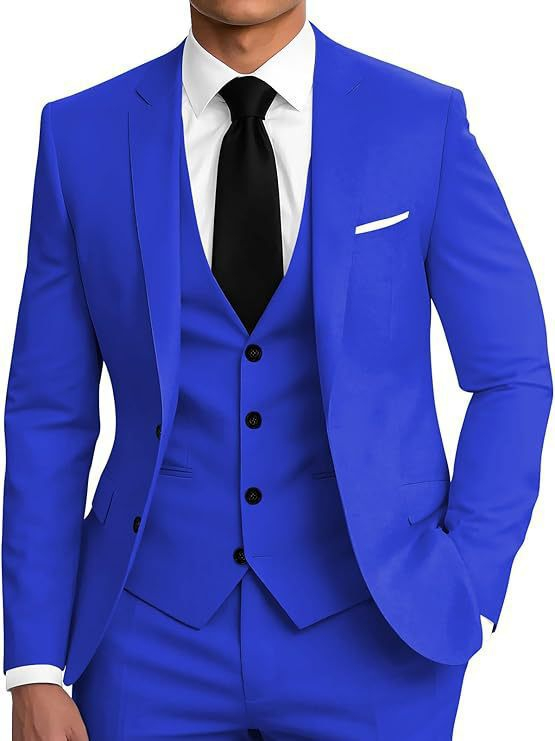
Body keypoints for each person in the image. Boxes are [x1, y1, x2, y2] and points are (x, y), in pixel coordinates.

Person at [3, 1, 551, 739]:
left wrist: (471, 582)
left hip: (379, 634)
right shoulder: (81, 135)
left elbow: (512, 372)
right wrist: (33, 664)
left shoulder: (420, 122)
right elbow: (49, 411)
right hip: (145, 638)